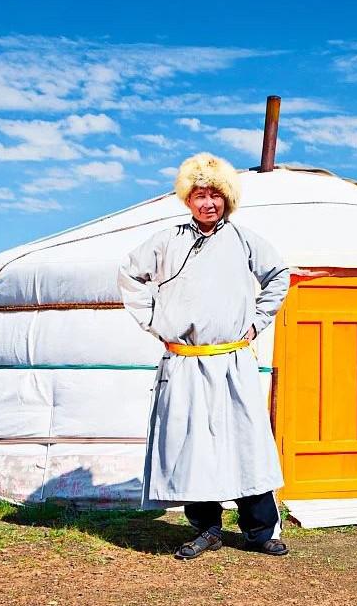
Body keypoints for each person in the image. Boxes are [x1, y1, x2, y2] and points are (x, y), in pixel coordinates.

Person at [117, 152, 290, 560]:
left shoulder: (245, 240)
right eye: (199, 195)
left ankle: (259, 531)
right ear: (187, 199)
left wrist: (257, 322)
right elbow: (129, 274)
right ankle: (207, 528)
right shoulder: (166, 240)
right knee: (191, 444)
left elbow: (279, 275)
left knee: (246, 445)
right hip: (186, 361)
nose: (208, 202)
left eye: (215, 195)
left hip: (232, 359)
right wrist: (155, 321)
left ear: (226, 199)